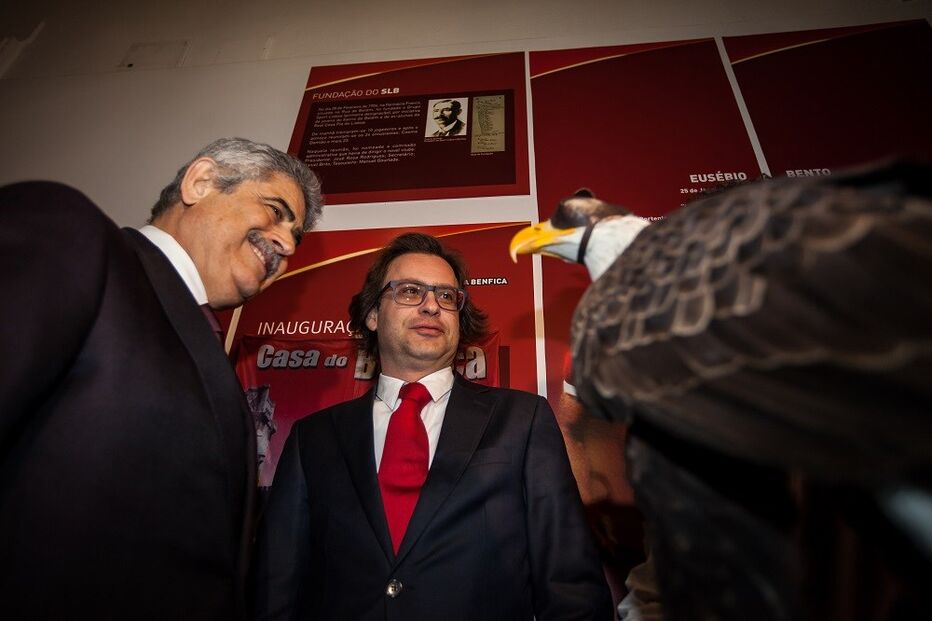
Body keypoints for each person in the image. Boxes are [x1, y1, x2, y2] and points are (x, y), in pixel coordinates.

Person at [0, 137, 322, 620]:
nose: (287, 244)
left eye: (296, 235)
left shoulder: (211, 357)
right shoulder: (75, 235)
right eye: (275, 212)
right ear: (201, 182)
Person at [252, 232, 612, 620]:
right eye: (409, 291)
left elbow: (571, 584)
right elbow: (276, 589)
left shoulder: (521, 421)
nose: (431, 307)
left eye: (446, 297)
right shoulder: (313, 438)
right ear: (372, 314)